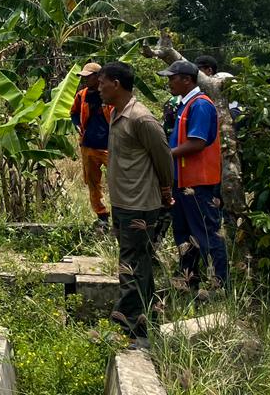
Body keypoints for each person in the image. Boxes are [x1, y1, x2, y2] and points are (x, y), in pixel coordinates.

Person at [96, 61, 174, 349]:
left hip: (139, 203)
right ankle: (146, 323)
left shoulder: (141, 119)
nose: (98, 87)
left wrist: (166, 190)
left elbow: (164, 157)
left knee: (130, 265)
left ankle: (126, 328)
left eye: (102, 82)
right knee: (140, 263)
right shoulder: (117, 113)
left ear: (116, 83)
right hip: (124, 201)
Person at [160, 60, 229, 296]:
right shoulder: (184, 104)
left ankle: (220, 286)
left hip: (198, 182)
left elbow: (197, 142)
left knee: (207, 235)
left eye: (172, 77)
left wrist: (165, 154)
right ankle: (189, 282)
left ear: (187, 80)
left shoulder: (200, 105)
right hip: (183, 181)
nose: (169, 82)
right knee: (185, 235)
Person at [71, 62, 113, 228]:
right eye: (83, 77)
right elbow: (73, 113)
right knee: (93, 182)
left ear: (98, 77)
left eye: (88, 77)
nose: (84, 80)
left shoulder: (109, 95)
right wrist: (78, 126)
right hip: (88, 145)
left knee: (118, 181)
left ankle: (120, 213)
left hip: (109, 146)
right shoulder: (82, 95)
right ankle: (101, 215)